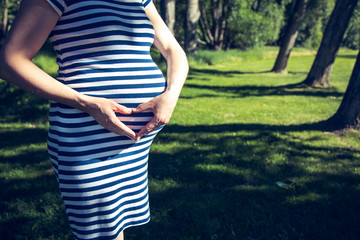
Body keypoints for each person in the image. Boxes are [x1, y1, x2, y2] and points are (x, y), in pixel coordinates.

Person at [0, 0, 188, 239]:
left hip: (133, 145)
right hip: (85, 140)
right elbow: (10, 61)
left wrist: (171, 94)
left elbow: (173, 49)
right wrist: (86, 103)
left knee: (114, 229)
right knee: (101, 234)